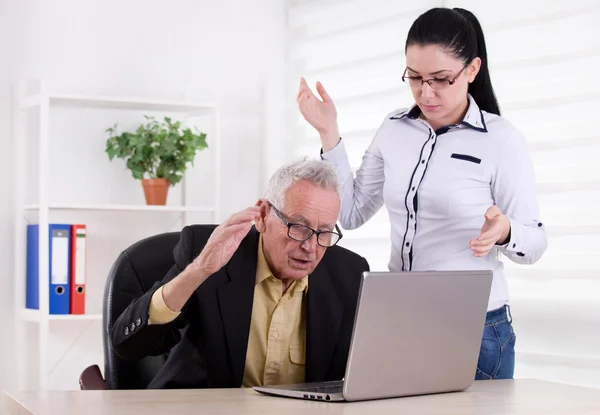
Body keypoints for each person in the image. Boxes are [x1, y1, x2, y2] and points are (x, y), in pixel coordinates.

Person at [296, 7, 547, 381]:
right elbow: (350, 212)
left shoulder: (501, 140)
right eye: (414, 78)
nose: (425, 92)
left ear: (472, 70)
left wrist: (506, 230)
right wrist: (328, 133)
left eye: (441, 79)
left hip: (474, 330)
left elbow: (536, 242)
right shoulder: (395, 129)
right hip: (402, 321)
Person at [110, 159, 370, 389]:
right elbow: (129, 346)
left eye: (324, 232)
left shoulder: (349, 274)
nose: (310, 246)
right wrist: (198, 271)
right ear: (263, 214)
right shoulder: (209, 250)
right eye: (299, 227)